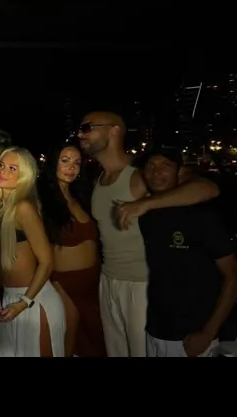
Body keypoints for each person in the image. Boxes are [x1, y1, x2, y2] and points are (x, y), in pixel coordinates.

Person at [78, 112, 219, 357]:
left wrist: (145, 203)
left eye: (87, 127)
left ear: (114, 130)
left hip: (142, 284)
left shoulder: (142, 172)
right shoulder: (97, 179)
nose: (80, 134)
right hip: (109, 281)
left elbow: (208, 188)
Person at [138, 146, 237, 357]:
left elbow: (233, 276)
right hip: (155, 329)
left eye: (165, 165)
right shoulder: (146, 215)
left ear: (180, 172)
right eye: (150, 166)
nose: (156, 172)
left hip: (192, 336)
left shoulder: (202, 215)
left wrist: (209, 332)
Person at [0, 147, 65, 357]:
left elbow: (47, 262)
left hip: (34, 299)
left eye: (12, 169)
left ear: (25, 175)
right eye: (1, 166)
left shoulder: (23, 208)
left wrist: (24, 302)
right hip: (9, 302)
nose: (3, 172)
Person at [38, 141, 106, 357]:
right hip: (64, 285)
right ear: (53, 164)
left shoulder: (81, 197)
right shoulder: (41, 200)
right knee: (68, 342)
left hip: (93, 282)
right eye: (65, 161)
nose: (71, 167)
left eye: (77, 163)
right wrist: (52, 284)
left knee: (96, 343)